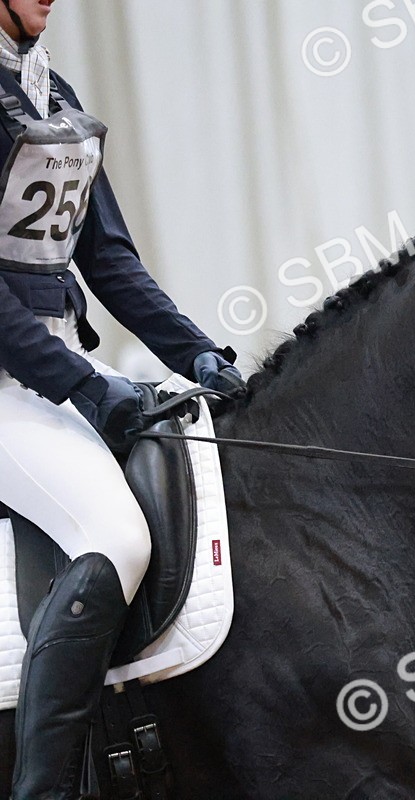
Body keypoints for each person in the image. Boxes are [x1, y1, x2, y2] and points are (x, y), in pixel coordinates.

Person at [0, 1, 245, 795]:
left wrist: (196, 351)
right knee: (116, 534)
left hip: (54, 374)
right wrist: (85, 386)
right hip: (12, 382)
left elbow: (109, 261)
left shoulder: (55, 98)